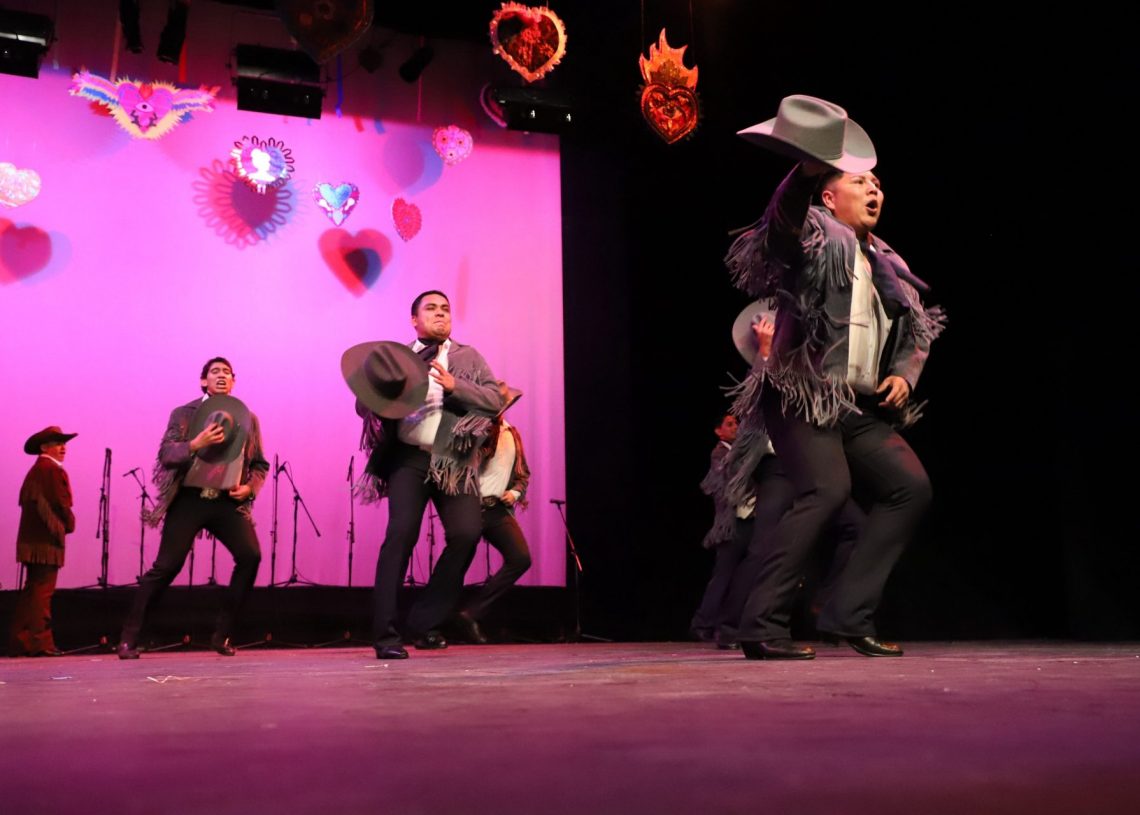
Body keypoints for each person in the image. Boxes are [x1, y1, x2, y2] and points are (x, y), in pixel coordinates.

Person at [724, 95, 945, 660]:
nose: (875, 190)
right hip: (803, 393)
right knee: (826, 490)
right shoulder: (815, 238)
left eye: (878, 185)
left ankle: (849, 614)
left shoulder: (888, 262)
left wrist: (904, 376)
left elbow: (917, 329)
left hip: (855, 405)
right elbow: (779, 228)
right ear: (828, 195)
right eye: (860, 182)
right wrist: (804, 172)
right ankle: (760, 625)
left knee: (910, 488)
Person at [353, 290, 503, 660]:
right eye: (431, 309)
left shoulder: (468, 356)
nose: (440, 314)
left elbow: (494, 400)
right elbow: (362, 404)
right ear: (414, 320)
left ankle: (424, 622)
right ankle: (385, 636)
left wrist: (456, 386)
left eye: (445, 309)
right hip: (409, 457)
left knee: (467, 533)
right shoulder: (398, 357)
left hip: (453, 457)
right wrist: (389, 389)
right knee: (401, 536)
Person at [117, 357, 268, 659]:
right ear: (203, 381)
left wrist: (249, 488)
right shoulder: (184, 413)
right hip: (190, 498)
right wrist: (195, 444)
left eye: (227, 372)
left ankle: (223, 635)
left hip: (226, 501)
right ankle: (129, 638)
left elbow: (260, 464)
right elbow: (166, 454)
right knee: (167, 566)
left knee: (250, 556)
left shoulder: (247, 418)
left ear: (233, 381)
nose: (221, 376)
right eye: (215, 372)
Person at [452, 381, 532, 645]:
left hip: (497, 508)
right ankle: (437, 620)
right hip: (472, 507)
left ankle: (471, 613)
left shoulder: (512, 433)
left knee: (520, 559)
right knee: (456, 563)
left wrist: (515, 493)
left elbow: (523, 473)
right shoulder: (479, 430)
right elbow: (467, 462)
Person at [8, 426, 77, 657]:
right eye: (57, 443)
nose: (63, 448)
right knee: (42, 592)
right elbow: (60, 502)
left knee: (33, 590)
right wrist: (69, 522)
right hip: (45, 542)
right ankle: (40, 642)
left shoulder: (38, 469)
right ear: (44, 447)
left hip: (33, 540)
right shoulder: (51, 470)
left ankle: (22, 641)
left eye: (63, 443)